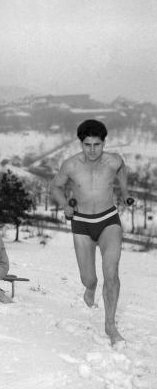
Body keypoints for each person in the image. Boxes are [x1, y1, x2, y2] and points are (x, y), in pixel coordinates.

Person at [51, 119, 133, 346]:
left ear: (104, 143)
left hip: (108, 220)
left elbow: (122, 168)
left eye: (97, 144)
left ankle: (110, 325)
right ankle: (91, 286)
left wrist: (124, 190)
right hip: (82, 223)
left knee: (112, 273)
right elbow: (55, 186)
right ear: (81, 143)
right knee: (88, 278)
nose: (92, 150)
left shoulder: (113, 160)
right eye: (87, 145)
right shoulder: (71, 165)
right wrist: (65, 206)